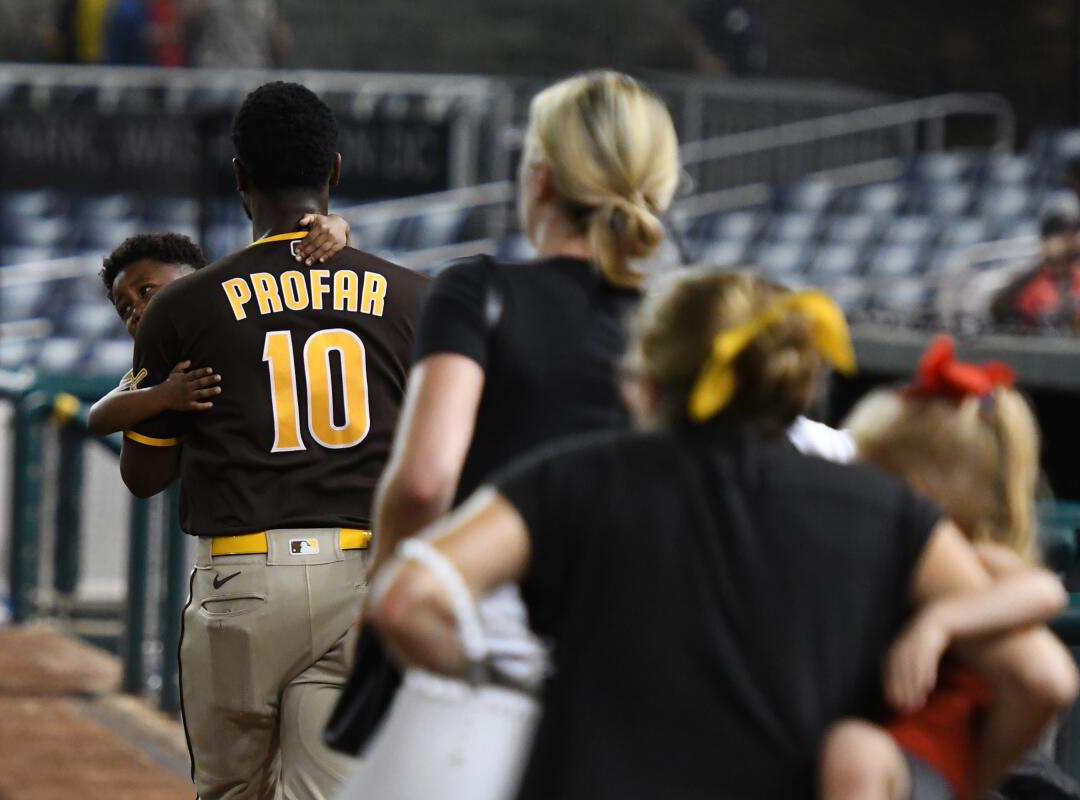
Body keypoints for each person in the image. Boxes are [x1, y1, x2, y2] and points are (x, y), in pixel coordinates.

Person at [368, 271, 1078, 800]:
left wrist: (505, 687)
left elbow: (407, 601)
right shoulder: (889, 514)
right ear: (797, 383)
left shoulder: (568, 480)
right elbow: (1038, 677)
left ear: (645, 382)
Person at [334, 71, 682, 800]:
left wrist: (386, 592)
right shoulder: (684, 322)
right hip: (634, 678)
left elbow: (426, 478)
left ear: (543, 178)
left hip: (480, 650)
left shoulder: (479, 290)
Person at [117, 81, 427, 800]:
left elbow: (144, 474)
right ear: (336, 172)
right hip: (362, 579)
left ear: (239, 177)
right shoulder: (417, 299)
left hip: (243, 583)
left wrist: (151, 378)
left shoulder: (184, 306)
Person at [820, 335, 1071, 800]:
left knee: (855, 751)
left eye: (873, 474)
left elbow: (1044, 591)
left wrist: (942, 620)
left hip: (928, 756)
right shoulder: (869, 554)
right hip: (881, 754)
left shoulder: (976, 558)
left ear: (919, 491)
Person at [87, 223, 351, 436]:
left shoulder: (242, 313)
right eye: (126, 310)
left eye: (146, 291)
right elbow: (97, 417)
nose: (138, 312)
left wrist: (337, 227)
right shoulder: (160, 369)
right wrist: (162, 395)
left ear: (196, 279)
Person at [990, 209, 1080, 331]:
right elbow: (998, 309)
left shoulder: (1076, 273)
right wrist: (1044, 263)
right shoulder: (1034, 281)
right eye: (1061, 236)